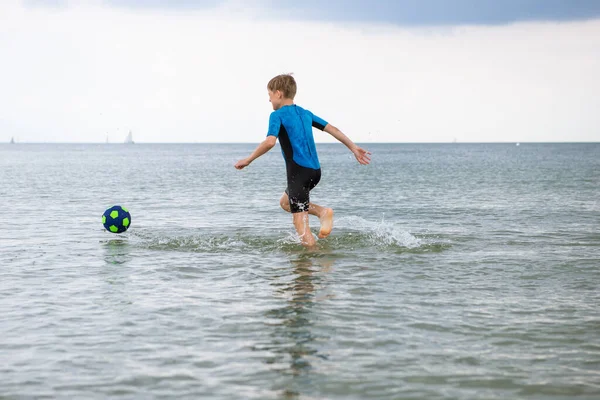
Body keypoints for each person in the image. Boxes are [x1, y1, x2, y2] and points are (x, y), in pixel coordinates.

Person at [234, 74, 371, 247]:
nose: (269, 100)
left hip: (298, 173)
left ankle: (310, 264)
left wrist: (249, 159)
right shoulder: (306, 113)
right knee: (285, 202)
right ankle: (322, 212)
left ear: (278, 93)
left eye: (269, 95)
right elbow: (333, 129)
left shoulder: (277, 115)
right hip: (315, 171)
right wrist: (353, 147)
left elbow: (270, 142)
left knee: (300, 224)